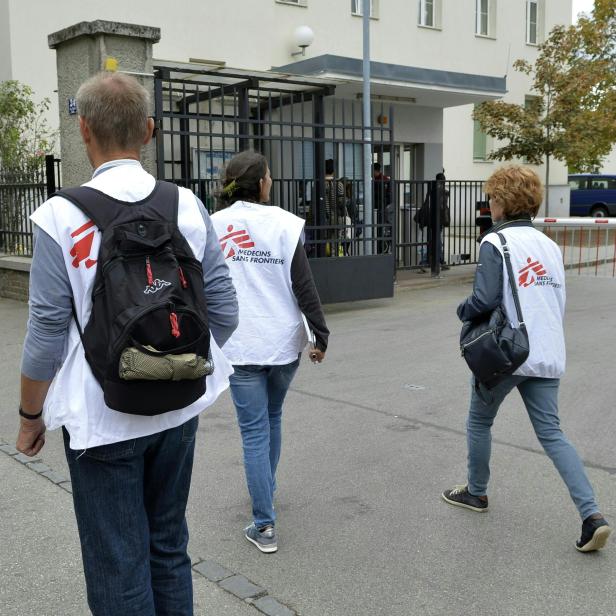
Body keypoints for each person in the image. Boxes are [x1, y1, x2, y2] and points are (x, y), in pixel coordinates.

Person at [15, 72, 239, 615]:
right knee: (168, 547)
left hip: (100, 420)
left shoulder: (59, 217)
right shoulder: (187, 205)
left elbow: (46, 332)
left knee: (118, 563)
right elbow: (225, 311)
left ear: (84, 129)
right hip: (178, 410)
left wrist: (29, 416)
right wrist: (177, 361)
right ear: (150, 130)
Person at [442, 165, 611, 553]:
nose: (489, 204)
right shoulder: (549, 246)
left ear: (501, 202)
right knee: (553, 434)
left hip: (507, 352)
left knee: (479, 421)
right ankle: (592, 516)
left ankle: (476, 493)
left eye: (491, 197)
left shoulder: (494, 242)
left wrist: (462, 310)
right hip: (547, 349)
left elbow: (484, 301)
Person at [211, 151, 329, 553]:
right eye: (270, 176)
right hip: (283, 344)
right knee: (272, 419)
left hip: (240, 344)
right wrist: (321, 335)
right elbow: (304, 285)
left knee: (253, 434)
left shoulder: (213, 227)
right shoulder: (284, 223)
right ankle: (266, 492)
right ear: (261, 183)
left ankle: (263, 524)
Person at [414, 171, 450, 270]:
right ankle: (434, 261)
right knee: (437, 241)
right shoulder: (443, 192)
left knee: (432, 241)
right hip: (436, 220)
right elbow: (443, 208)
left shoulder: (431, 190)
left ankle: (431, 261)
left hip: (431, 220)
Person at [324, 158, 345, 256]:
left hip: (322, 219)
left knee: (322, 244)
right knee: (335, 245)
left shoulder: (318, 183)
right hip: (336, 218)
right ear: (334, 170)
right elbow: (341, 203)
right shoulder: (339, 184)